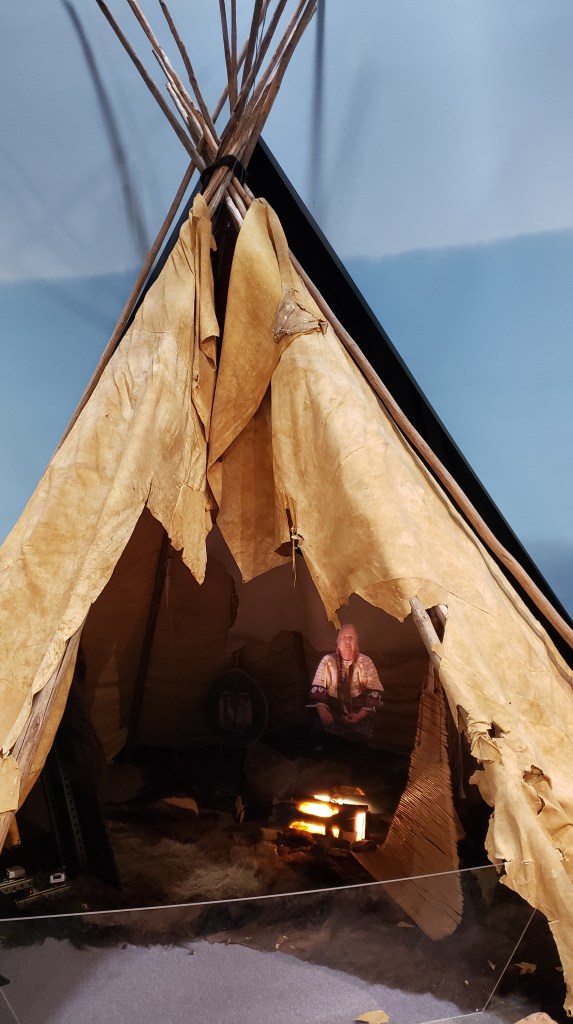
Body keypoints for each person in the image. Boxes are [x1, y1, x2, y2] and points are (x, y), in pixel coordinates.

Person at [307, 624, 383, 743]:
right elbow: (317, 689)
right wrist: (323, 711)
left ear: (357, 643)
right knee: (321, 735)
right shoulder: (327, 661)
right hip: (332, 706)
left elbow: (375, 690)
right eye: (344, 637)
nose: (347, 641)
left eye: (351, 638)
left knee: (358, 739)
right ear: (338, 643)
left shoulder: (365, 661)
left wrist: (360, 715)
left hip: (357, 708)